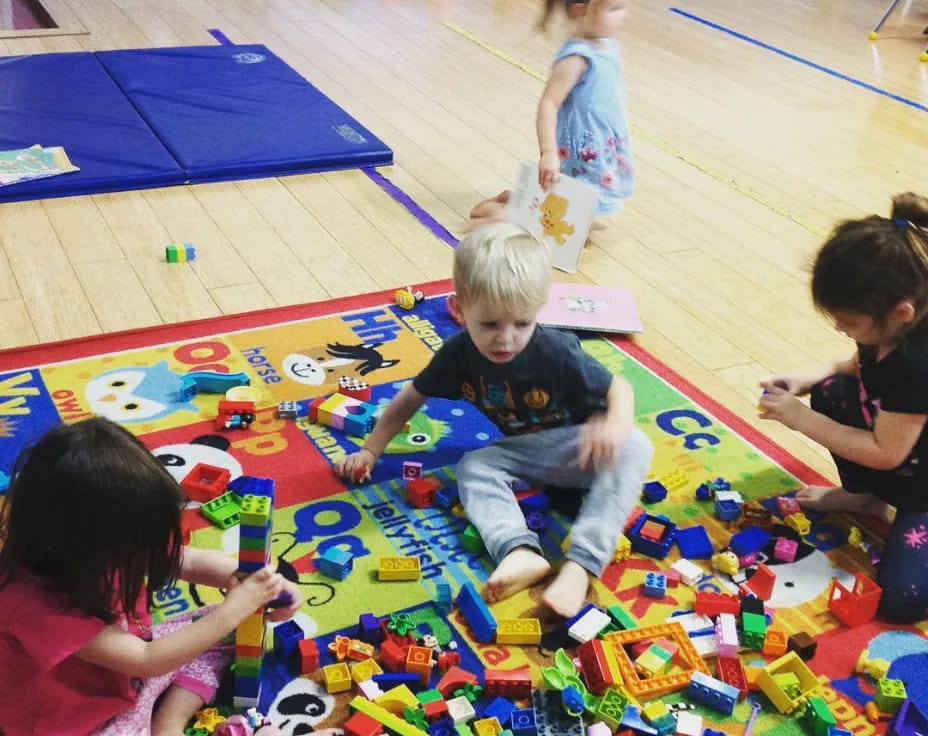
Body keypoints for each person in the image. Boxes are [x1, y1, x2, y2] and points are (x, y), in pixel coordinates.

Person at [336, 223, 653, 618]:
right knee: (474, 463)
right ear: (459, 307)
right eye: (489, 324)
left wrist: (615, 425)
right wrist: (370, 450)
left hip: (586, 451)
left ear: (539, 308)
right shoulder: (458, 355)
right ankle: (518, 551)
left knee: (637, 444)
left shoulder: (554, 350)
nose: (506, 338)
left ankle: (581, 566)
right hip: (532, 458)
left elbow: (618, 388)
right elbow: (411, 397)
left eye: (522, 323)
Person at [0, 417, 301, 736]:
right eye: (135, 547)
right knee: (223, 621)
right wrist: (236, 607)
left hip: (131, 671)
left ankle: (168, 721)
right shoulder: (37, 610)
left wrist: (255, 584)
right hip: (88, 721)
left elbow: (185, 560)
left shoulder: (103, 544)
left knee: (226, 627)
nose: (148, 554)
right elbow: (147, 660)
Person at [759, 192, 928, 622]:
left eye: (850, 322)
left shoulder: (917, 363)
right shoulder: (890, 330)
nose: (840, 327)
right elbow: (857, 366)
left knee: (900, 600)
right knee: (833, 389)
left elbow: (884, 452)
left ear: (902, 313)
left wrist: (802, 420)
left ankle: (888, 500)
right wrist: (808, 380)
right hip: (907, 460)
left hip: (916, 479)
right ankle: (866, 497)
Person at [470, 0, 634, 229]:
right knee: (566, 224)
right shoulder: (577, 57)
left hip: (601, 141)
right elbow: (549, 103)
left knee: (578, 213)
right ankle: (504, 213)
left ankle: (523, 202)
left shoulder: (609, 46)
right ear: (581, 10)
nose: (625, 16)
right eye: (614, 9)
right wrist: (549, 152)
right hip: (583, 152)